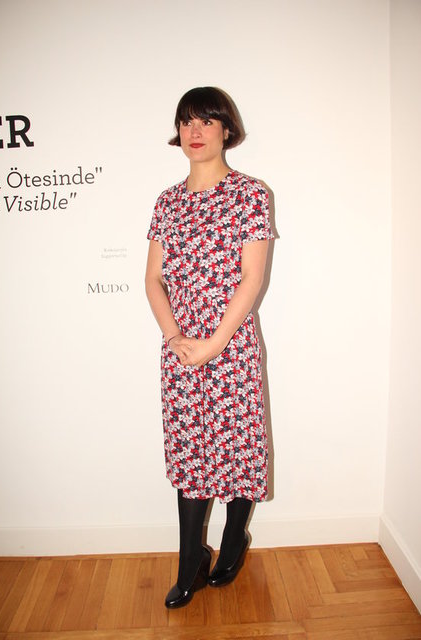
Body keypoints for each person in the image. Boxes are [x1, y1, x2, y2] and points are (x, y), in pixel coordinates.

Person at [145, 87, 274, 609]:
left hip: (231, 345)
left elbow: (251, 279)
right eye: (186, 122)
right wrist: (175, 338)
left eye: (206, 121)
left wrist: (214, 344)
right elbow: (153, 279)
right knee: (189, 451)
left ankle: (235, 537)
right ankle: (190, 559)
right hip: (181, 350)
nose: (195, 131)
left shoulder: (250, 194)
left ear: (226, 130)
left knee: (238, 446)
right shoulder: (167, 202)